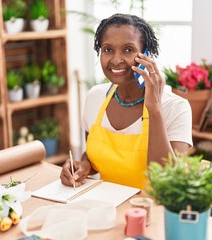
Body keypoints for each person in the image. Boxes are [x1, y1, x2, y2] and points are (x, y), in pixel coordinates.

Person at [60, 13, 192, 189]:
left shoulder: (176, 108)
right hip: (106, 205)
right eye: (107, 49)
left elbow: (167, 181)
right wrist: (84, 166)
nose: (115, 60)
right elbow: (92, 157)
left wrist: (154, 109)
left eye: (128, 50)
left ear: (147, 56)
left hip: (150, 209)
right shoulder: (95, 97)